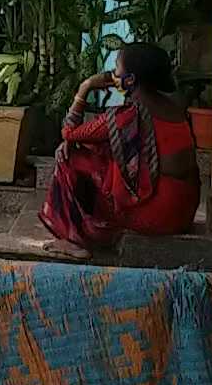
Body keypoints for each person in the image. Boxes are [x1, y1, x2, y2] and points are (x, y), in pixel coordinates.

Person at [39, 43, 200, 260]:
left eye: (116, 67)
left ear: (131, 79)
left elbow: (68, 132)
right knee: (93, 149)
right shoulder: (175, 107)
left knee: (68, 158)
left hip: (156, 216)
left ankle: (74, 240)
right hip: (183, 212)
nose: (112, 74)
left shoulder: (127, 115)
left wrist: (85, 87)